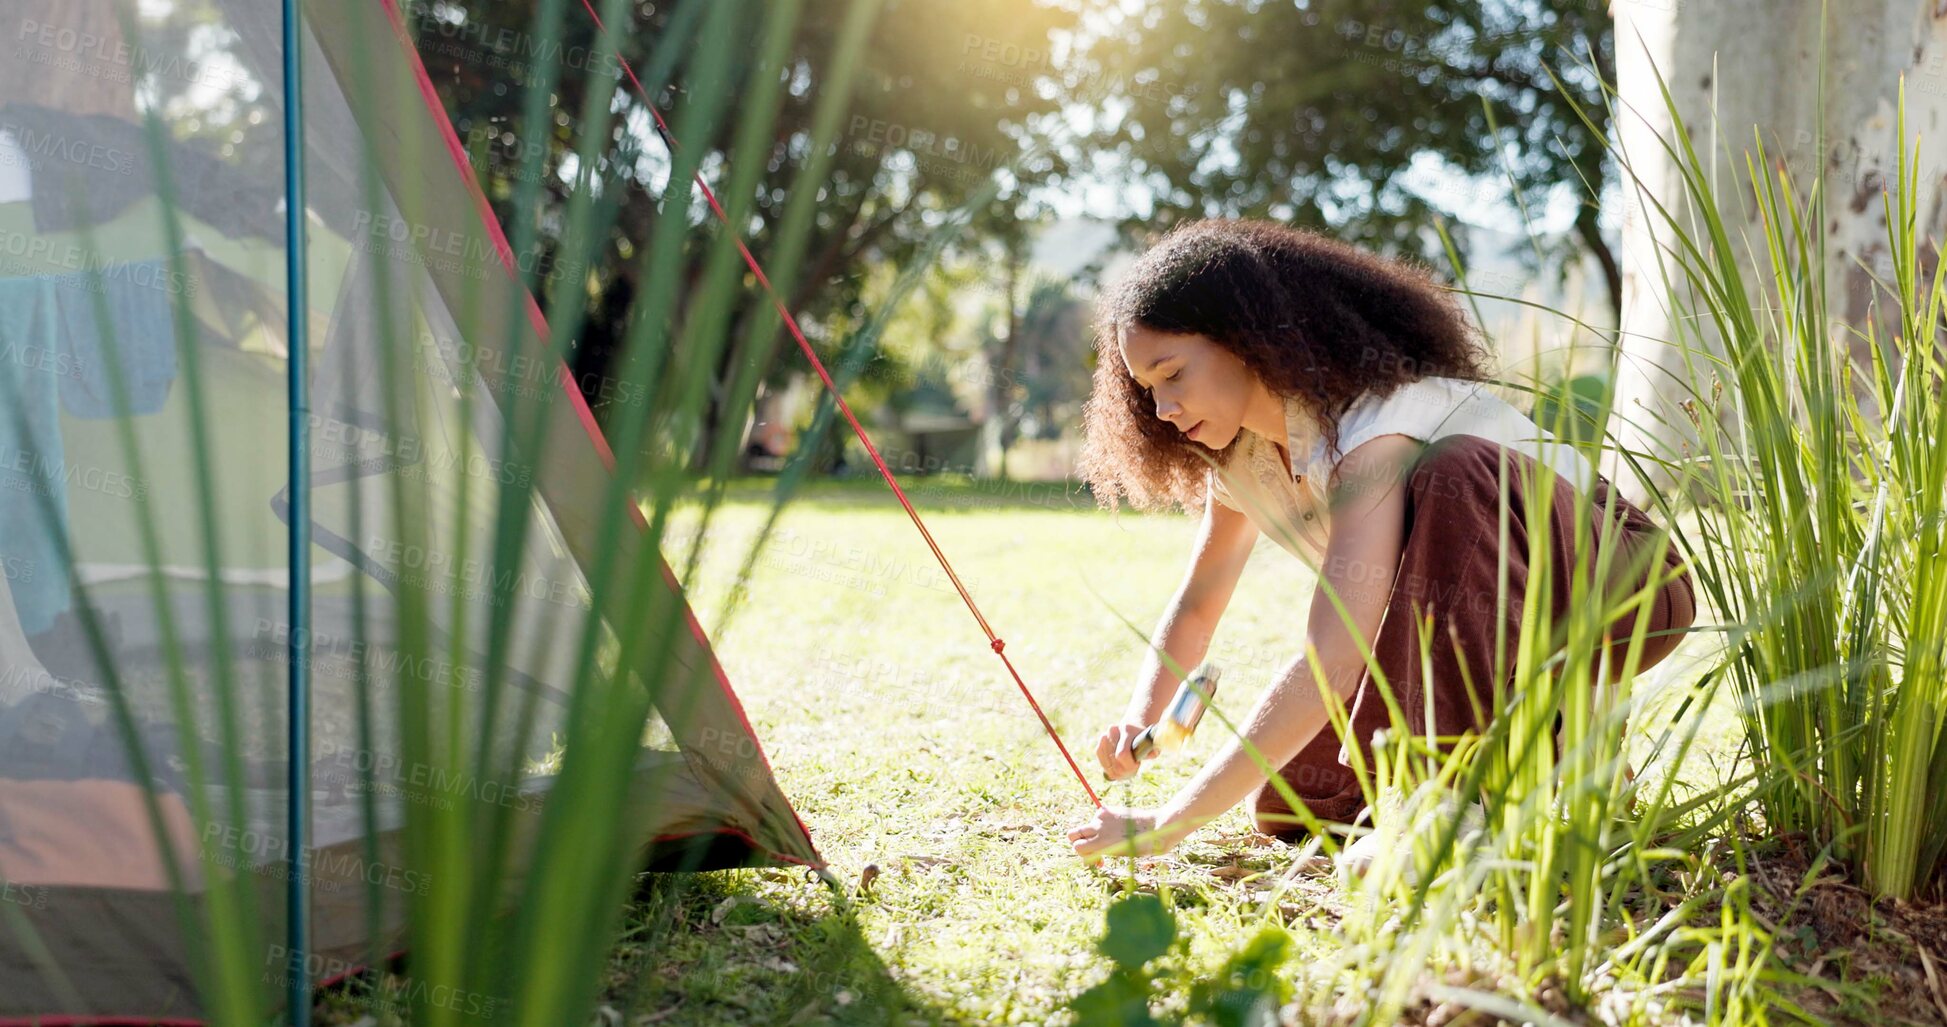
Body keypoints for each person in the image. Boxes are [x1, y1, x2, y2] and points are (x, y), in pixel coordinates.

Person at [1063, 219, 1696, 863]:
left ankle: (1434, 804)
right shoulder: (1242, 458)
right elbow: (1199, 604)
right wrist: (1143, 719)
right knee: (1292, 802)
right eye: (1147, 389)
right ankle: (1534, 757)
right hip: (1491, 633)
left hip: (1625, 589)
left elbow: (1333, 656)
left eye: (1173, 373)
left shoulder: (1377, 422)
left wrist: (1166, 824)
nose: (1162, 408)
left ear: (1246, 341)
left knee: (1454, 470)